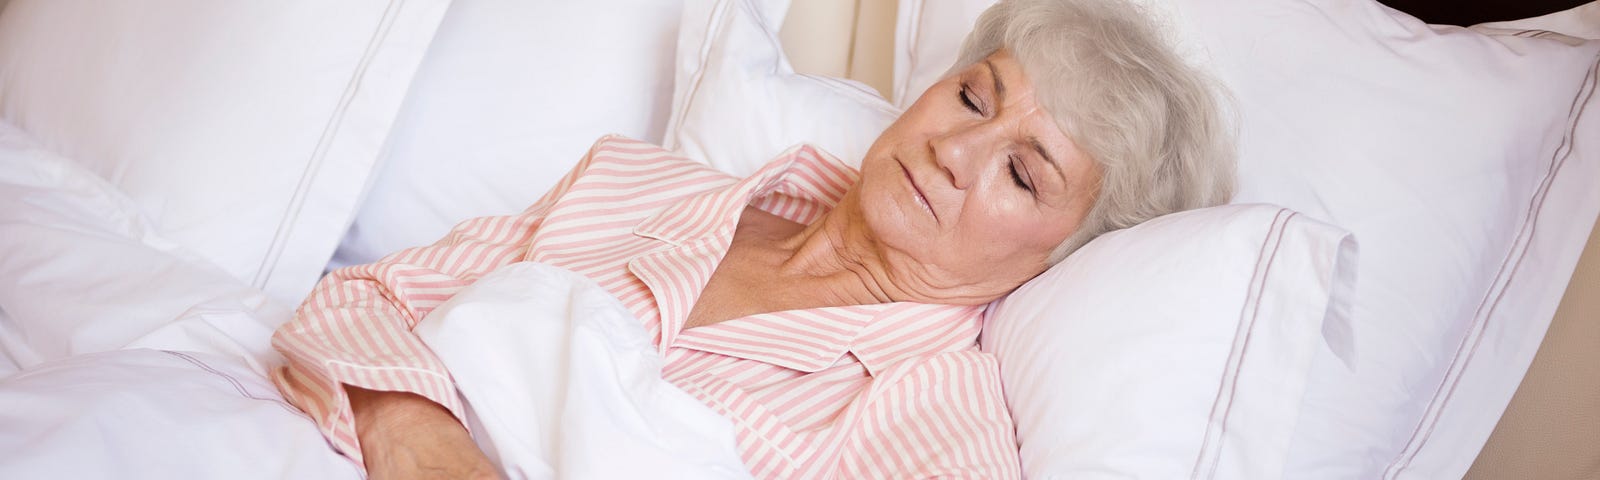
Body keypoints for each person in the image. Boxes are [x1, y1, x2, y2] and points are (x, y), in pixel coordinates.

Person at [270, 0, 1235, 478]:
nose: (954, 147)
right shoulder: (644, 181)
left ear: (1059, 260)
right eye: (973, 96)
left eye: (1024, 172)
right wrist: (415, 433)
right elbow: (364, 297)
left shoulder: (937, 429)